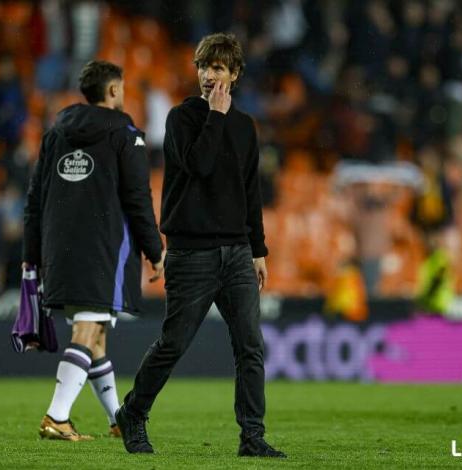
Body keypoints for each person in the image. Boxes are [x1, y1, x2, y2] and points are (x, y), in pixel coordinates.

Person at [116, 33, 286, 459]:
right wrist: (215, 116)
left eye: (220, 68)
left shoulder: (246, 128)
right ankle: (133, 413)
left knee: (250, 345)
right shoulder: (182, 119)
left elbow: (250, 193)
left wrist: (258, 249)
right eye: (205, 68)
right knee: (174, 342)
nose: (211, 76)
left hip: (235, 252)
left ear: (235, 74)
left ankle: (252, 436)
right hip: (192, 252)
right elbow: (201, 166)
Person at [22, 60, 163, 441]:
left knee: (95, 334)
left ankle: (118, 419)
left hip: (59, 247)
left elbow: (35, 198)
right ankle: (57, 416)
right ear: (114, 91)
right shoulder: (126, 133)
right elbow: (137, 197)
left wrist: (31, 254)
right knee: (88, 329)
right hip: (103, 247)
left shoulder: (55, 133)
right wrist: (154, 248)